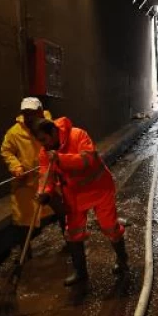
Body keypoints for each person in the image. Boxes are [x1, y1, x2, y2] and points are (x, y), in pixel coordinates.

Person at [31, 117, 129, 286]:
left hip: (99, 189)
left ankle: (122, 260)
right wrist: (44, 193)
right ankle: (80, 272)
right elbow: (45, 176)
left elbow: (88, 160)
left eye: (44, 139)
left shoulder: (77, 135)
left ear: (53, 132)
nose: (43, 145)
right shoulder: (45, 153)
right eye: (39, 141)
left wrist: (61, 159)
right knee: (73, 233)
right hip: (74, 194)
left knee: (109, 226)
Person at [0, 97, 66, 258]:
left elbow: (62, 143)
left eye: (32, 113)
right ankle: (24, 253)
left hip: (50, 177)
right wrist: (16, 166)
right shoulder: (14, 133)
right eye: (25, 113)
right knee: (23, 219)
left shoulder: (51, 126)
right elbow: (6, 151)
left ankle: (71, 242)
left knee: (62, 211)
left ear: (40, 111)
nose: (29, 116)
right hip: (26, 182)